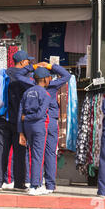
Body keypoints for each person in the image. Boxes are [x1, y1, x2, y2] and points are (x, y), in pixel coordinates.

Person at [0, 51, 37, 191]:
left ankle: (10, 179)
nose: (30, 63)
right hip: (18, 119)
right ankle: (15, 180)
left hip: (5, 117)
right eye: (28, 61)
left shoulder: (5, 73)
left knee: (8, 151)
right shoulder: (22, 76)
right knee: (18, 151)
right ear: (22, 63)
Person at [38, 61, 71, 194]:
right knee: (50, 154)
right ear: (48, 78)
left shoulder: (32, 85)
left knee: (37, 154)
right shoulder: (52, 85)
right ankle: (50, 185)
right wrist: (51, 66)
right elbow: (67, 75)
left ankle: (37, 183)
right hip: (51, 121)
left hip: (38, 121)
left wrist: (34, 67)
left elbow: (20, 75)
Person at [18, 67, 51, 196]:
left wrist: (21, 131)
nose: (50, 79)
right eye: (48, 77)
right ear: (44, 79)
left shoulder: (27, 92)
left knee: (30, 154)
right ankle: (34, 186)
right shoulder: (45, 94)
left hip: (26, 126)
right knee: (38, 156)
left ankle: (35, 183)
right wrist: (28, 117)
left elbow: (20, 113)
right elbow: (40, 114)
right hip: (38, 126)